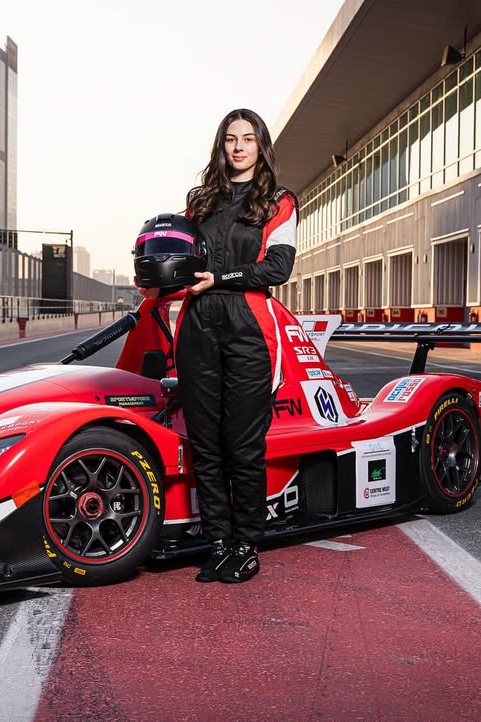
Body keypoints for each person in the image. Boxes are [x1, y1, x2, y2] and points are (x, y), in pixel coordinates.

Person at [143, 108, 298, 583]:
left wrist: (221, 278)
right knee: (205, 443)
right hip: (197, 327)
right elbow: (179, 258)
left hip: (249, 325)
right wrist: (157, 278)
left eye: (247, 139)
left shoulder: (278, 201)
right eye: (230, 139)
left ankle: (246, 542)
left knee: (242, 442)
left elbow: (277, 269)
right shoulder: (200, 202)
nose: (238, 147)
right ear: (221, 145)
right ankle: (218, 540)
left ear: (260, 145)